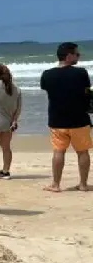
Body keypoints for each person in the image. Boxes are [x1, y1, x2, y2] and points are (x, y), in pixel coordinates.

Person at [40, 42, 91, 192]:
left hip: (57, 119)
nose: (78, 56)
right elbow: (87, 93)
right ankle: (83, 184)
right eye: (76, 54)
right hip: (79, 119)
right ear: (68, 56)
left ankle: (56, 184)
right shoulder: (81, 73)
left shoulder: (47, 74)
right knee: (82, 152)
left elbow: (45, 87)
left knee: (58, 152)